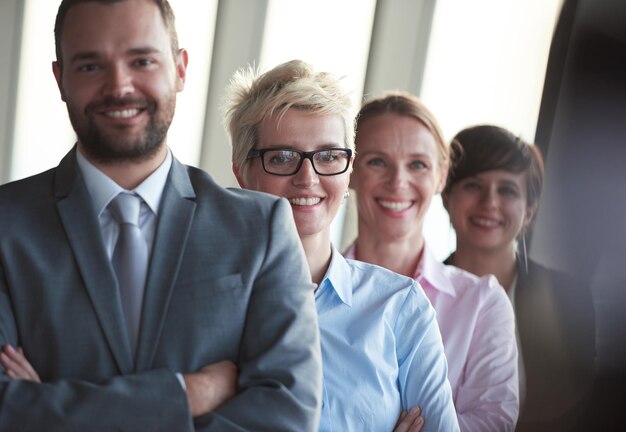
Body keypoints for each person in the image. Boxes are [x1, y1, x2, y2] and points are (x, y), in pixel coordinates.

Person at [0, 1, 322, 430]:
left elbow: (286, 417)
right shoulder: (6, 225)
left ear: (180, 68)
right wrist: (188, 394)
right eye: (91, 66)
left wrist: (49, 407)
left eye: (142, 60)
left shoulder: (260, 229)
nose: (120, 86)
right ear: (60, 80)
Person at [225, 60, 459, 432]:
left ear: (348, 169)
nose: (308, 178)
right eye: (283, 157)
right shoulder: (202, 302)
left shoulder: (401, 308)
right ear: (242, 170)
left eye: (329, 156)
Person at [345, 92, 519, 431]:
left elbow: (494, 423)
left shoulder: (481, 302)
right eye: (377, 161)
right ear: (348, 171)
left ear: (441, 176)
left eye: (417, 164)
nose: (398, 182)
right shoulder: (310, 293)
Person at [441, 124, 596, 431]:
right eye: (473, 185)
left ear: (529, 210)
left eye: (507, 190)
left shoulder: (568, 298)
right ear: (447, 197)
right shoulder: (414, 296)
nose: (490, 202)